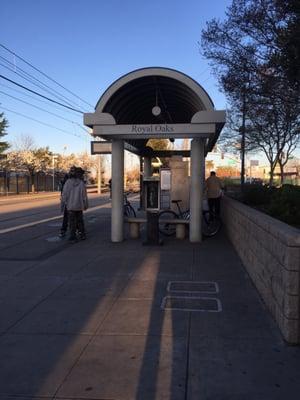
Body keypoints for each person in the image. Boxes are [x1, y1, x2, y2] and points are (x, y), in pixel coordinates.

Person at [62, 167, 88, 242]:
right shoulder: (81, 183)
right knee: (80, 220)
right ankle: (82, 234)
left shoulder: (67, 183)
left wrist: (63, 204)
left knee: (72, 222)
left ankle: (73, 237)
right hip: (79, 205)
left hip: (70, 206)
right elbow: (84, 196)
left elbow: (64, 195)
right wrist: (85, 205)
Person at [58, 171, 71, 238]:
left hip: (67, 203)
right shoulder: (69, 183)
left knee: (66, 217)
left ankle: (63, 230)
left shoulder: (64, 183)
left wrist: (63, 203)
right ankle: (78, 230)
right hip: (72, 202)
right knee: (77, 217)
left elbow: (63, 194)